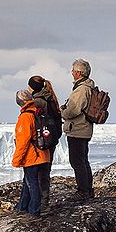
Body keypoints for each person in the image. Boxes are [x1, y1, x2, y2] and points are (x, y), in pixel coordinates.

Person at [12, 90, 51, 217]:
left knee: (32, 182)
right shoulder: (36, 111)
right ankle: (23, 206)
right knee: (27, 181)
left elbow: (23, 141)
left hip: (32, 156)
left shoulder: (25, 116)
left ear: (21, 101)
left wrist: (16, 160)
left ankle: (34, 210)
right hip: (42, 154)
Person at [61, 58, 95, 199]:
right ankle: (87, 189)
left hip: (78, 129)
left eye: (73, 70)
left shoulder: (81, 89)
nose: (72, 72)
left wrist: (63, 112)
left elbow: (74, 110)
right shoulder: (86, 87)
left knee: (77, 161)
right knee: (82, 160)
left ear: (79, 73)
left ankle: (83, 191)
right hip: (83, 129)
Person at [27, 75, 62, 213]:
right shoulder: (51, 98)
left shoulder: (38, 101)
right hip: (50, 140)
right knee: (45, 171)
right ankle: (44, 201)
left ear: (32, 87)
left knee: (38, 172)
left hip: (41, 142)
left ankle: (40, 203)